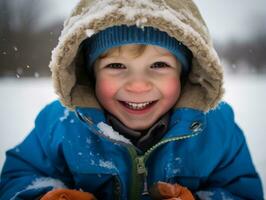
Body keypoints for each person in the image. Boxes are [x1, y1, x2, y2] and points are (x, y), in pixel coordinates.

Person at [0, 0, 263, 199]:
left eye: (159, 64)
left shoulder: (217, 130)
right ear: (90, 76)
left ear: (185, 75)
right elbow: (18, 176)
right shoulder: (59, 124)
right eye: (116, 66)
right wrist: (47, 194)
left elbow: (242, 190)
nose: (138, 84)